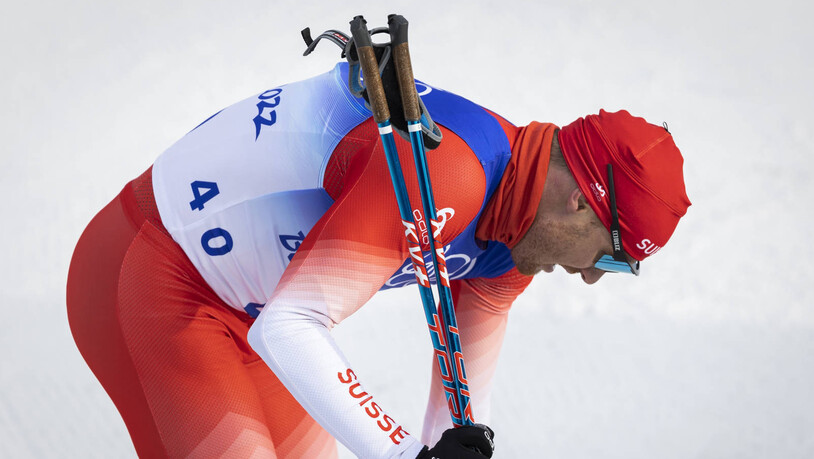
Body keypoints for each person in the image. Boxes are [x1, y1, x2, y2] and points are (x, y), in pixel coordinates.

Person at [66, 60, 691, 458]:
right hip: (150, 276)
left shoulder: (515, 238)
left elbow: (461, 408)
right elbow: (291, 327)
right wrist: (401, 455)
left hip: (246, 316)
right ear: (583, 206)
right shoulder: (451, 175)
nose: (587, 277)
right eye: (610, 260)